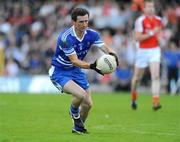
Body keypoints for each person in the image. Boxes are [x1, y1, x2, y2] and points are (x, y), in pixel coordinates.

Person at [48, 8, 118, 134]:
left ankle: (78, 128)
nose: (84, 24)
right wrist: (92, 66)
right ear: (73, 22)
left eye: (86, 21)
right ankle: (73, 111)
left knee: (88, 105)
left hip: (76, 71)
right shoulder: (66, 38)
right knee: (80, 94)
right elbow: (74, 60)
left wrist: (113, 55)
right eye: (81, 22)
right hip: (60, 72)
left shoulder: (92, 34)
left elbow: (104, 47)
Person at [130, 0, 162, 111]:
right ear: (144, 8)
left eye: (152, 6)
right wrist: (152, 33)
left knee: (156, 76)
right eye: (148, 6)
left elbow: (159, 35)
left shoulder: (159, 20)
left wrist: (160, 39)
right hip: (142, 51)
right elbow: (138, 38)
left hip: (154, 50)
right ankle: (133, 97)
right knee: (137, 78)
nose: (151, 9)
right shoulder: (140, 21)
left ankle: (155, 102)